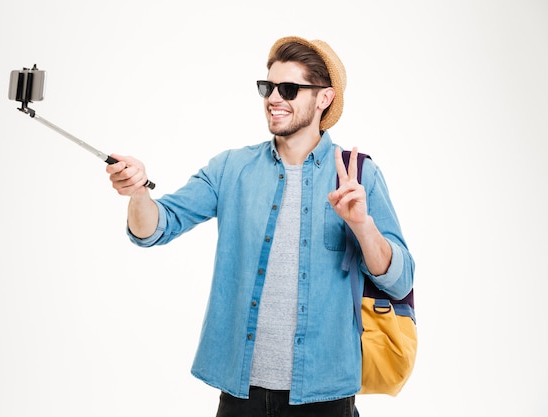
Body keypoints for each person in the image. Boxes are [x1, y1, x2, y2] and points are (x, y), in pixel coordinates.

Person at [106, 36, 414, 417]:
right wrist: (138, 193)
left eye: (289, 89)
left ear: (324, 98)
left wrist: (362, 225)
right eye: (268, 87)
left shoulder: (356, 174)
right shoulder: (231, 169)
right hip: (242, 396)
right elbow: (155, 228)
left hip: (325, 396)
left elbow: (400, 280)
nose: (273, 98)